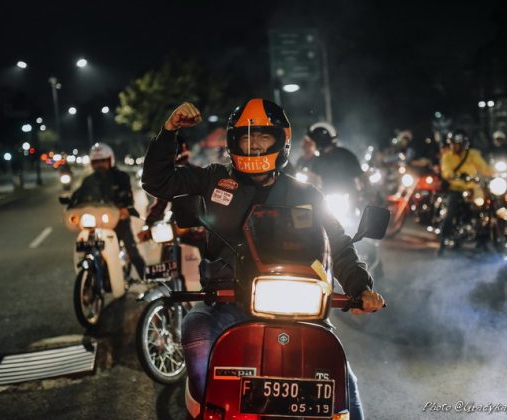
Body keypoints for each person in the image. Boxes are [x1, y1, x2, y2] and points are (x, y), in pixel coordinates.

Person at [142, 99, 385, 419]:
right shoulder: (214, 179)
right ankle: (208, 409)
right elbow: (156, 181)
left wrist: (360, 287)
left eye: (263, 136)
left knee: (342, 383)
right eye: (246, 137)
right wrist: (168, 132)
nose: (254, 144)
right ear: (233, 142)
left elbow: (338, 244)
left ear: (281, 140)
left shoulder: (306, 193)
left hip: (297, 306)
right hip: (227, 302)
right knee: (196, 332)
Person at [72, 142, 146, 279]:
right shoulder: (88, 180)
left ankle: (146, 278)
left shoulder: (121, 177)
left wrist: (124, 208)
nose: (99, 164)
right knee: (86, 244)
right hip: (96, 222)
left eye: (103, 161)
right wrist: (71, 204)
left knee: (132, 250)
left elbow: (128, 197)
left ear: (110, 160)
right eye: (96, 162)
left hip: (118, 219)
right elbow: (79, 196)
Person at [438, 129, 494, 255]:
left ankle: (483, 240)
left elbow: (484, 168)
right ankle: (444, 240)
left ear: (463, 144)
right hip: (456, 188)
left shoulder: (473, 154)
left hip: (473, 188)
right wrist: (452, 175)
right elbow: (446, 171)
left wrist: (496, 171)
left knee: (485, 210)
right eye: (452, 143)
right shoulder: (447, 157)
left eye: (457, 144)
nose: (454, 146)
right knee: (450, 213)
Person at [306, 121, 367, 196]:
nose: (312, 144)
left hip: (349, 196)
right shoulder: (317, 160)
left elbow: (360, 176)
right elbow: (312, 180)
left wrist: (362, 192)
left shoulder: (346, 155)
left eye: (314, 141)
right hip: (326, 197)